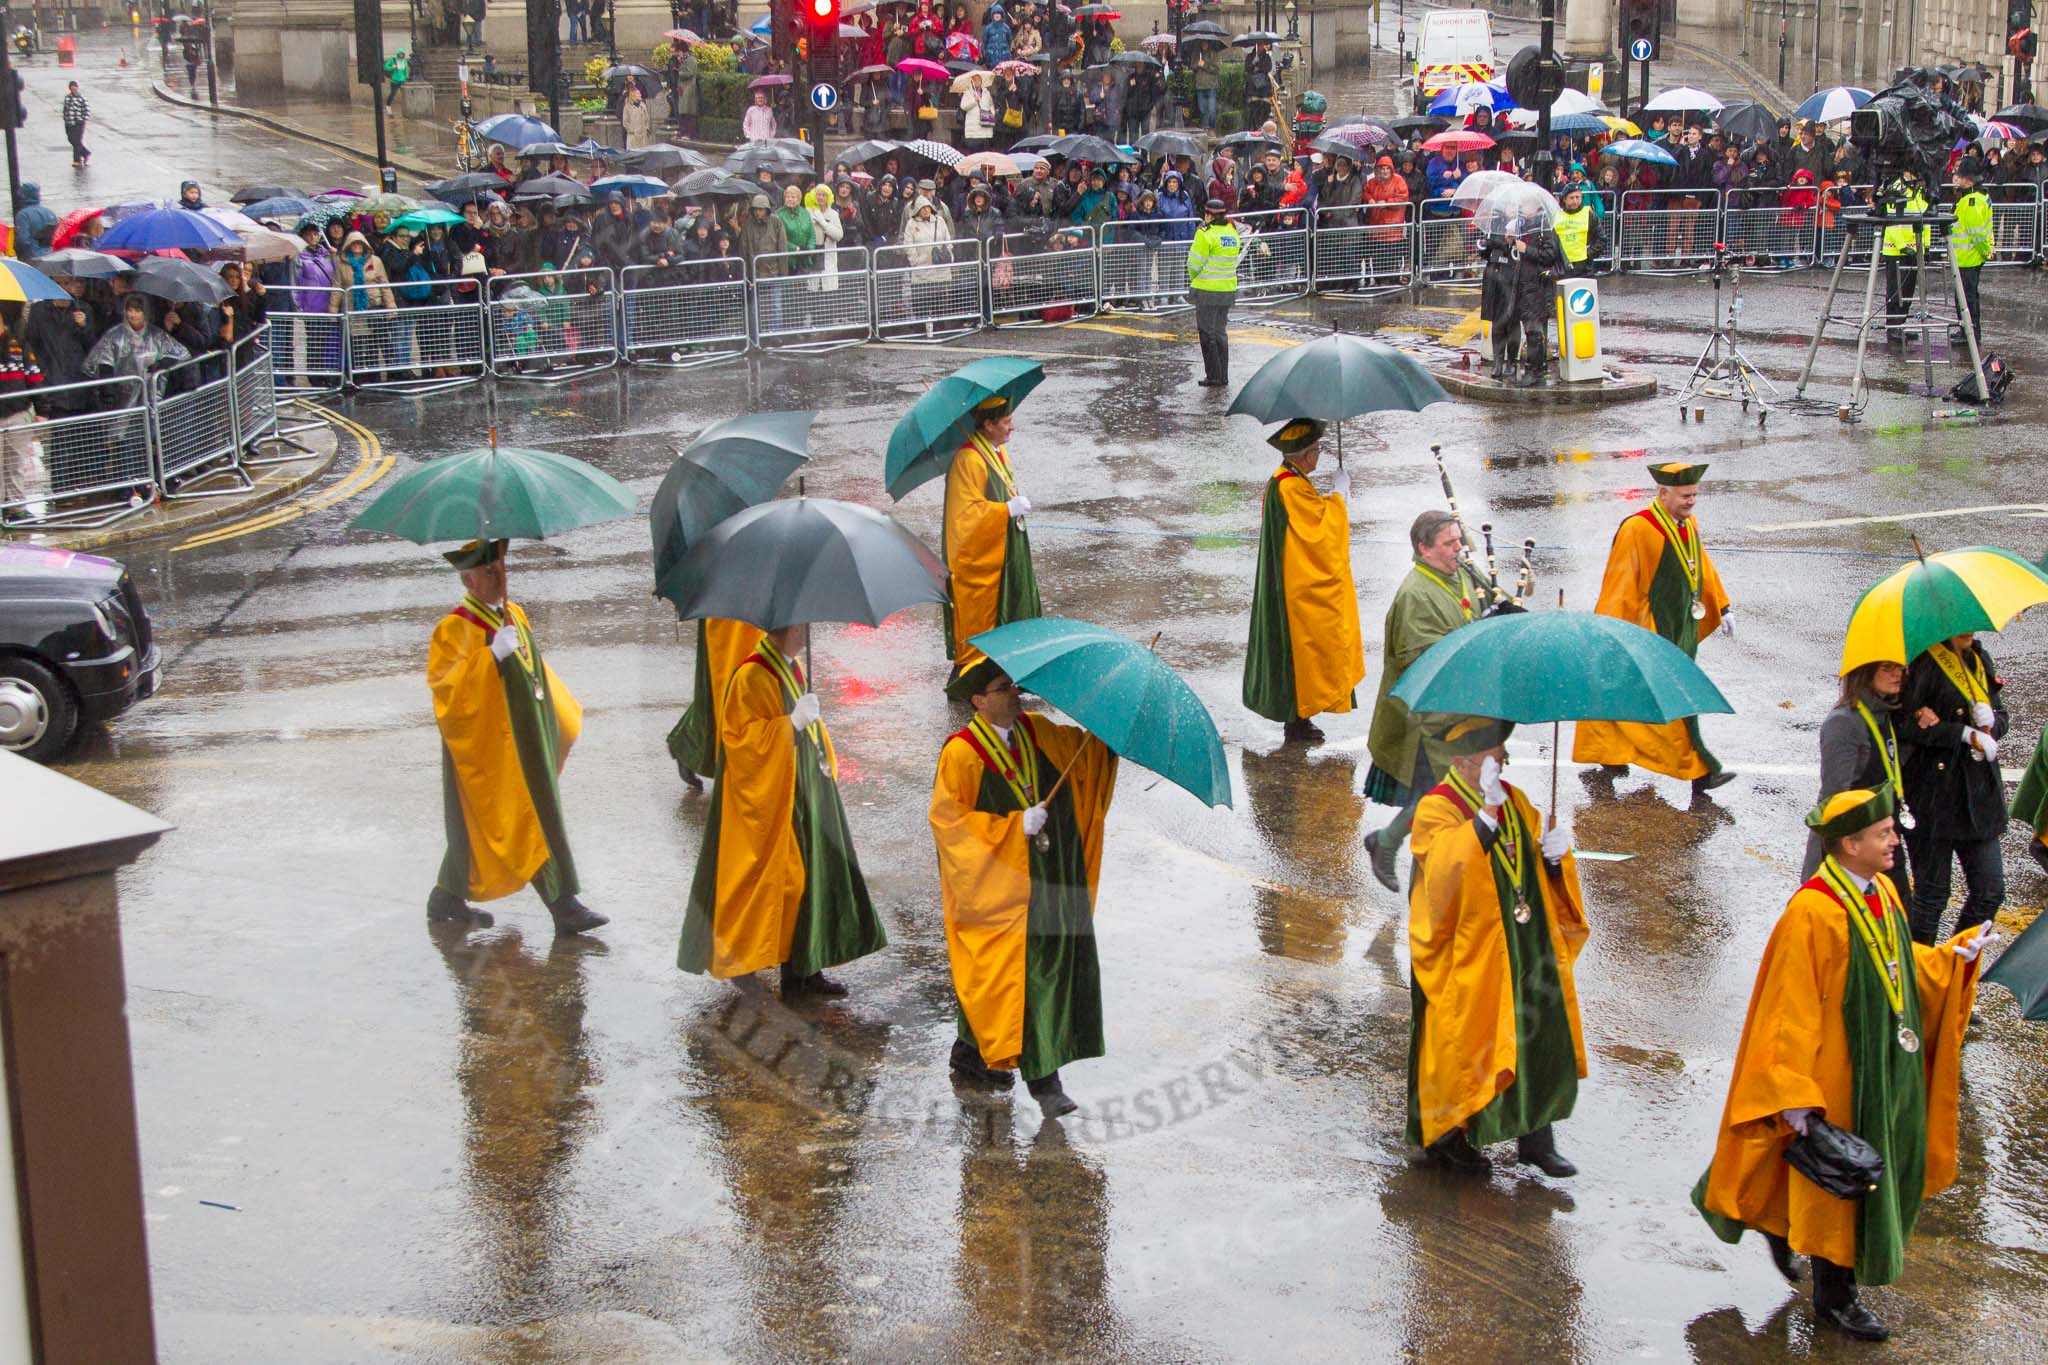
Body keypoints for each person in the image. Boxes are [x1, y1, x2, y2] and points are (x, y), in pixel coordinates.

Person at [1691, 783, 1992, 1343]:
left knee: (1838, 1173)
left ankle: (1781, 1230)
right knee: (1844, 1181)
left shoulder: (1880, 893)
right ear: (1848, 844)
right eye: (1882, 835)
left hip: (1882, 1064)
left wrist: (1949, 961)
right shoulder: (1812, 911)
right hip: (1838, 1074)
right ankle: (1836, 1297)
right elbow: (1788, 1006)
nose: (1894, 842)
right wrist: (1795, 1091)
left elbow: (1901, 967)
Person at [930, 662, 1118, 1119]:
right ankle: (1044, 1080)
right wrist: (1013, 828)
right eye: (1002, 688)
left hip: (1044, 881)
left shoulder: (1035, 731)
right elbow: (949, 827)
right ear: (978, 701)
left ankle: (972, 1052)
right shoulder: (962, 754)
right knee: (1015, 974)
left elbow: (1085, 756)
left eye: (1014, 685)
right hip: (998, 890)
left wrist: (1105, 723)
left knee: (1007, 978)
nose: (1016, 694)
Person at [1405, 717, 1585, 1174]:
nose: (1503, 758)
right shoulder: (1436, 808)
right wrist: (1485, 817)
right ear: (1464, 760)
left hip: (1520, 940)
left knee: (1534, 1028)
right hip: (1469, 949)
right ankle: (1449, 1136)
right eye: (1493, 752)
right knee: (1466, 1037)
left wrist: (1556, 858)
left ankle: (1537, 1136)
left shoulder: (1516, 801)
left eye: (1502, 751)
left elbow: (1531, 869)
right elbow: (1446, 874)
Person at [678, 623, 888, 997]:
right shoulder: (752, 675)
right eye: (802, 625)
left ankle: (804, 968)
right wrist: (789, 725)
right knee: (788, 882)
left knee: (812, 880)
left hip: (803, 786)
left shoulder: (790, 667)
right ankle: (746, 962)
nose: (807, 631)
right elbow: (740, 744)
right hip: (774, 795)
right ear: (788, 627)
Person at [426, 539, 607, 935]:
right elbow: (447, 693)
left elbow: (534, 677)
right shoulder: (453, 628)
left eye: (501, 569)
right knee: (525, 819)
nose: (499, 578)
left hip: (523, 739)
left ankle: (447, 895)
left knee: (485, 824)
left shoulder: (514, 616)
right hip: (489, 745)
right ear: (469, 581)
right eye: (489, 573)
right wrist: (488, 658)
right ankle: (563, 906)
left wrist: (557, 720)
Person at [1573, 463, 1735, 796]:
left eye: (1693, 495)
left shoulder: (1688, 524)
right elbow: (1621, 583)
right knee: (1673, 701)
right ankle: (1699, 770)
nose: (1691, 502)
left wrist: (1722, 604)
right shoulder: (1639, 528)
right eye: (1684, 496)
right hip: (1651, 628)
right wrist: (1614, 633)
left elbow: (1701, 565)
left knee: (1641, 698)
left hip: (1681, 625)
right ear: (1663, 493)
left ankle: (1608, 752)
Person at [1362, 510, 1486, 890]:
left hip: (1463, 709)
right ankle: (1411, 862)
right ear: (1423, 549)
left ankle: (1392, 843)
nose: (1458, 549)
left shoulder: (1463, 574)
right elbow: (1424, 665)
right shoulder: (1415, 594)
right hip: (1426, 718)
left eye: (1458, 541)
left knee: (1450, 794)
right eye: (1449, 544)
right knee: (1445, 796)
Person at [1242, 419, 1363, 745]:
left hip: (1286, 579)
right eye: (1317, 450)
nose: (1319, 456)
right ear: (1305, 455)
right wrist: (1339, 495)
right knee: (1298, 648)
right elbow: (1319, 531)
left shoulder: (1287, 479)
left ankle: (1298, 719)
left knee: (1295, 651)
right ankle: (1295, 721)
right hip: (1291, 588)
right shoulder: (1290, 486)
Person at [1898, 632, 2007, 946]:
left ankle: (1955, 966)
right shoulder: (1921, 662)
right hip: (1934, 797)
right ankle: (1919, 976)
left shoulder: (1978, 658)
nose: (1969, 632)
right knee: (1932, 896)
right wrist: (1960, 733)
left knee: (1990, 891)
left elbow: (2001, 715)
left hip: (1979, 797)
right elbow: (1902, 722)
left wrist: (1992, 724)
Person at [941, 395, 1040, 698]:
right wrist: (1004, 511)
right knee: (983, 625)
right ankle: (971, 680)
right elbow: (965, 517)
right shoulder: (968, 460)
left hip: (1005, 551)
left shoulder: (995, 453)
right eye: (1006, 422)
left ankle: (1008, 673)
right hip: (981, 561)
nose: (1012, 428)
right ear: (988, 425)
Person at [1803, 661, 1914, 899]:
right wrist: (1817, 870)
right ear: (1864, 672)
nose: (1898, 674)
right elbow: (1832, 800)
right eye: (1887, 668)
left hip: (1883, 842)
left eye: (1900, 667)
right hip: (1857, 853)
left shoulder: (1886, 714)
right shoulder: (1844, 722)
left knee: (1900, 920)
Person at [1187, 197, 1240, 387]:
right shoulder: (1231, 232)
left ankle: (1213, 376)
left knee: (1207, 334)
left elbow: (1194, 264)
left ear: (1209, 214)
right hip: (1227, 290)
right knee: (1220, 333)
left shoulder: (1204, 234)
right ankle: (1223, 375)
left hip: (1206, 290)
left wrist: (1194, 277)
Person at [1880, 165, 1930, 346]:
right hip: (1896, 249)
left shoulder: (1919, 191)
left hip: (1915, 248)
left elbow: (1924, 220)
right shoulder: (1897, 189)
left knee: (1908, 289)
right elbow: (1892, 220)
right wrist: (1902, 245)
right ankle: (1892, 325)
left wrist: (1926, 246)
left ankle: (1900, 324)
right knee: (1896, 289)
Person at [1949, 158, 1992, 344]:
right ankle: (1967, 331)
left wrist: (1984, 252)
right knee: (1966, 298)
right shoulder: (1978, 197)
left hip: (1968, 258)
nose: (1956, 178)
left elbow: (1977, 234)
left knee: (1967, 299)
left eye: (1960, 176)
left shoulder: (1971, 201)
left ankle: (1970, 333)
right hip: (1967, 257)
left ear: (1969, 180)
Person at [1551, 182, 1606, 273]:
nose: (1575, 201)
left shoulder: (1589, 213)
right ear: (1565, 199)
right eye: (1571, 198)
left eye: (1578, 197)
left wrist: (1588, 253)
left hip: (1583, 266)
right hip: (1562, 266)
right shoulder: (1557, 215)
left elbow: (1601, 238)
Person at [10, 183, 55, 260]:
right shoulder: (49, 212)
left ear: (23, 196)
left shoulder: (23, 215)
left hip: (32, 257)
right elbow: (55, 235)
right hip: (51, 255)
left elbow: (23, 240)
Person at [60, 82, 89, 166]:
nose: (73, 89)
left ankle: (77, 160)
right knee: (71, 140)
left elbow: (87, 110)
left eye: (74, 87)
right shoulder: (67, 98)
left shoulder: (82, 98)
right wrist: (65, 118)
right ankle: (85, 153)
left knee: (76, 141)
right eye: (71, 87)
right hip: (69, 123)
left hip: (78, 123)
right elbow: (65, 109)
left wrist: (82, 120)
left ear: (77, 87)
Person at [620, 82, 654, 149]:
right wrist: (633, 130)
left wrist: (646, 128)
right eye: (638, 94)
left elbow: (647, 118)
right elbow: (625, 122)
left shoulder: (643, 105)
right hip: (633, 137)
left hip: (643, 136)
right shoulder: (627, 107)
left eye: (640, 93)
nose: (640, 95)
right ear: (633, 95)